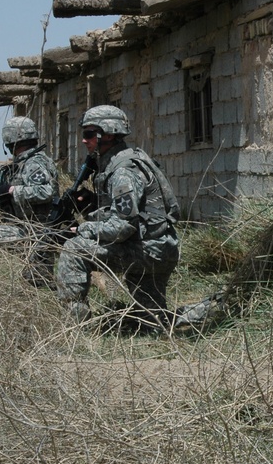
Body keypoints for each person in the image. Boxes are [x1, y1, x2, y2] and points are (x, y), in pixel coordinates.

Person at [55, 105, 181, 333]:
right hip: (158, 247)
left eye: (89, 134)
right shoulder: (121, 162)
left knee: (74, 250)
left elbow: (122, 226)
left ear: (108, 134)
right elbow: (127, 212)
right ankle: (208, 310)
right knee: (154, 323)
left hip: (148, 249)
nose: (84, 140)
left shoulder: (123, 171)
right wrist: (92, 204)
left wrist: (84, 229)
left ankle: (76, 329)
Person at [0, 116, 60, 286]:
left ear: (10, 140)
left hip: (36, 233)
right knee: (36, 282)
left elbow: (46, 191)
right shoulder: (25, 162)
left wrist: (13, 191)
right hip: (28, 229)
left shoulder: (33, 163)